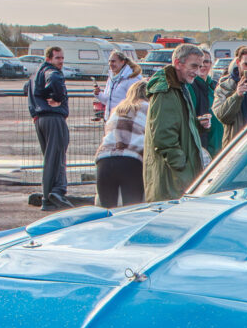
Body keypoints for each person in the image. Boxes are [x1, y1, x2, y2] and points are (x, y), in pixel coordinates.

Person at [142, 44, 208, 202]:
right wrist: (182, 169)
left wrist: (196, 124)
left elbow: (173, 125)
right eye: (193, 66)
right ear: (178, 63)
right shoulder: (166, 92)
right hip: (171, 180)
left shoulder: (179, 88)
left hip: (176, 177)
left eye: (200, 66)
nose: (197, 72)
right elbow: (163, 137)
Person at [27, 46, 74, 211]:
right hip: (53, 118)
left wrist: (36, 107)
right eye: (57, 58)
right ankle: (53, 194)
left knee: (51, 157)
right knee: (56, 157)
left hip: (40, 119)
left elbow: (26, 89)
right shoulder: (51, 71)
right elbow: (53, 79)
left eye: (62, 58)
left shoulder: (35, 75)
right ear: (49, 59)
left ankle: (51, 194)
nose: (60, 61)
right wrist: (58, 97)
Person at [94, 79, 148, 208]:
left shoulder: (117, 109)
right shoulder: (148, 107)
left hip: (104, 160)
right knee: (131, 209)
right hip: (131, 160)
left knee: (107, 211)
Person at [188, 50, 224, 157]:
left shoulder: (214, 86)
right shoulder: (190, 86)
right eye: (200, 62)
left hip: (217, 141)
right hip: (202, 143)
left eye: (207, 62)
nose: (203, 65)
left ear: (211, 64)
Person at [93, 50, 143, 120]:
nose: (110, 64)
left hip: (124, 120)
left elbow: (138, 102)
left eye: (113, 61)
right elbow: (108, 100)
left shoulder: (132, 79)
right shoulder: (111, 78)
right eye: (109, 61)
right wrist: (98, 94)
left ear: (122, 62)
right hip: (111, 120)